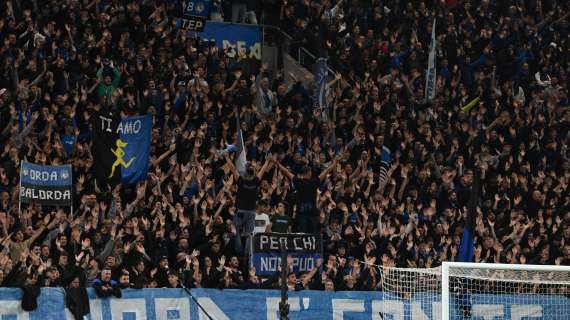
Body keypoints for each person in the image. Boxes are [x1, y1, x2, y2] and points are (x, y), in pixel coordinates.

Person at [274, 153, 343, 234]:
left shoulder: (298, 181)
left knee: (302, 237)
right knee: (312, 237)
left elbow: (285, 171)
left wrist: (276, 162)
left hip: (301, 215)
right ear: (309, 172)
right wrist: (335, 163)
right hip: (312, 216)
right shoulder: (314, 182)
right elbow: (326, 170)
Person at [226, 154, 271, 254]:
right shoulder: (256, 181)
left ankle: (239, 251)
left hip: (241, 212)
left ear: (245, 173)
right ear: (254, 173)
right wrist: (267, 161)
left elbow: (233, 169)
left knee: (236, 231)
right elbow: (262, 171)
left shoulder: (241, 181)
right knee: (249, 234)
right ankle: (248, 253)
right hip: (251, 212)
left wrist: (227, 158)